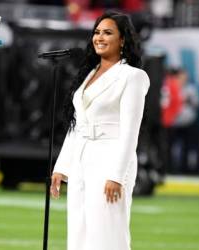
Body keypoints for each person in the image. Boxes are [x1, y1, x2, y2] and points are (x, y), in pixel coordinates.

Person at [50, 11, 150, 250]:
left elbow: (130, 132)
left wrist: (117, 175)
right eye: (97, 32)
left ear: (123, 40)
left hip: (111, 160)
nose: (99, 37)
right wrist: (61, 167)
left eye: (108, 32)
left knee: (107, 233)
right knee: (78, 231)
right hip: (81, 162)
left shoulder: (133, 77)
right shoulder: (88, 75)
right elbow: (79, 124)